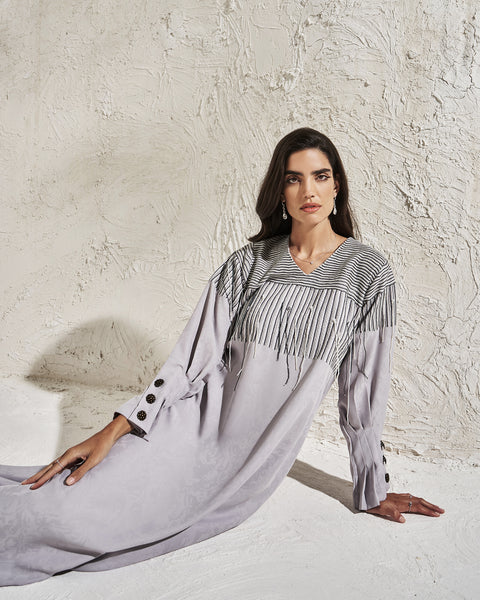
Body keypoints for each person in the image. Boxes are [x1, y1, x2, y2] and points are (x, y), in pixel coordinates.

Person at [0, 127, 444, 586]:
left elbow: (362, 392)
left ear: (337, 187)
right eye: (293, 179)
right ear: (280, 193)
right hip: (183, 430)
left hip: (238, 467)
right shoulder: (249, 262)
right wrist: (114, 430)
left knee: (69, 523)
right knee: (52, 504)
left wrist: (372, 489)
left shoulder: (370, 275)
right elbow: (189, 363)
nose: (308, 191)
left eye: (320, 176)